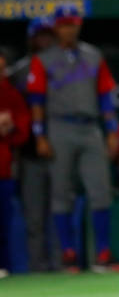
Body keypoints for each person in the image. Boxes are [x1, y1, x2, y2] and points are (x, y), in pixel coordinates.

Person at [26, 3, 119, 273]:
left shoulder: (93, 55)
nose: (70, 28)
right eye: (64, 24)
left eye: (73, 23)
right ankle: (69, 255)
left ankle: (103, 254)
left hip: (90, 127)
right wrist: (40, 136)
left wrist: (112, 131)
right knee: (61, 194)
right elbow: (36, 101)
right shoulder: (43, 58)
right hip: (59, 127)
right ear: (56, 27)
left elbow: (105, 96)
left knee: (101, 191)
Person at [8, 17, 59, 273]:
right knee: (35, 216)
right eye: (40, 35)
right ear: (31, 39)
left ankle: (63, 265)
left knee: (61, 210)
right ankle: (38, 267)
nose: (45, 40)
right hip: (29, 151)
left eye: (49, 35)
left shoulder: (63, 66)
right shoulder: (17, 72)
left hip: (60, 148)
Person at [0, 50, 31, 279]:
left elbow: (22, 132)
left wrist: (9, 129)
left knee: (3, 223)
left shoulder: (10, 94)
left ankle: (4, 266)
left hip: (3, 168)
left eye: (1, 70)